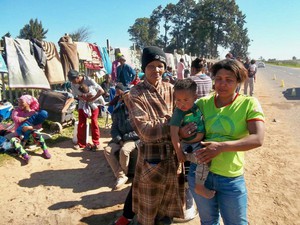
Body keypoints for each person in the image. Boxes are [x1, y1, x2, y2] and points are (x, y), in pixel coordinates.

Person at [182, 59, 265, 224]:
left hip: (230, 178)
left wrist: (221, 147)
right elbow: (186, 130)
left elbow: (258, 138)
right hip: (200, 174)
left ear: (238, 81)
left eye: (229, 80)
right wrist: (184, 133)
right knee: (208, 222)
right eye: (219, 79)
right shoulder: (203, 103)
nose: (222, 84)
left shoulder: (248, 104)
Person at [126, 46, 184, 225]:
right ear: (144, 68)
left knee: (168, 206)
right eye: (151, 65)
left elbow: (185, 114)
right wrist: (174, 124)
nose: (156, 70)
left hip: (173, 156)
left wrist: (174, 123)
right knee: (148, 208)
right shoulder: (135, 94)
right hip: (152, 157)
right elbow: (145, 131)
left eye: (160, 65)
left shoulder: (172, 89)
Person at [169, 78, 215, 199]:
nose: (181, 104)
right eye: (178, 100)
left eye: (185, 100)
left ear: (195, 97)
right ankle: (199, 187)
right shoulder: (179, 113)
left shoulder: (197, 107)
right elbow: (173, 134)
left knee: (208, 156)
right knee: (204, 160)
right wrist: (179, 152)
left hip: (198, 144)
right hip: (187, 148)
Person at [104, 90, 139, 190]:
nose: (128, 100)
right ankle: (121, 175)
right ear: (123, 99)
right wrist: (119, 140)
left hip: (133, 138)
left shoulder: (138, 110)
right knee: (107, 151)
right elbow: (114, 128)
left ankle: (124, 174)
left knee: (124, 151)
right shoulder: (118, 111)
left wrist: (126, 138)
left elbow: (140, 129)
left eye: (130, 98)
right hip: (121, 138)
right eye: (126, 98)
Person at [68, 69, 104, 151]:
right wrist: (82, 98)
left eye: (73, 80)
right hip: (83, 104)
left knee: (94, 122)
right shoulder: (72, 84)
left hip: (94, 103)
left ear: (77, 77)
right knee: (81, 123)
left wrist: (92, 99)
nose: (72, 83)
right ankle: (81, 143)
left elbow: (101, 91)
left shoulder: (89, 80)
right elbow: (75, 95)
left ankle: (96, 143)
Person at [9, 95, 51, 164]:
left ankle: (45, 151)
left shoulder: (33, 113)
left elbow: (39, 126)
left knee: (36, 133)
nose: (19, 104)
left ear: (28, 103)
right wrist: (28, 118)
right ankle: (26, 156)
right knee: (13, 140)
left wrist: (29, 127)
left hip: (31, 138)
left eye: (22, 102)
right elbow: (16, 119)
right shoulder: (16, 111)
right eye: (18, 102)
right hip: (20, 137)